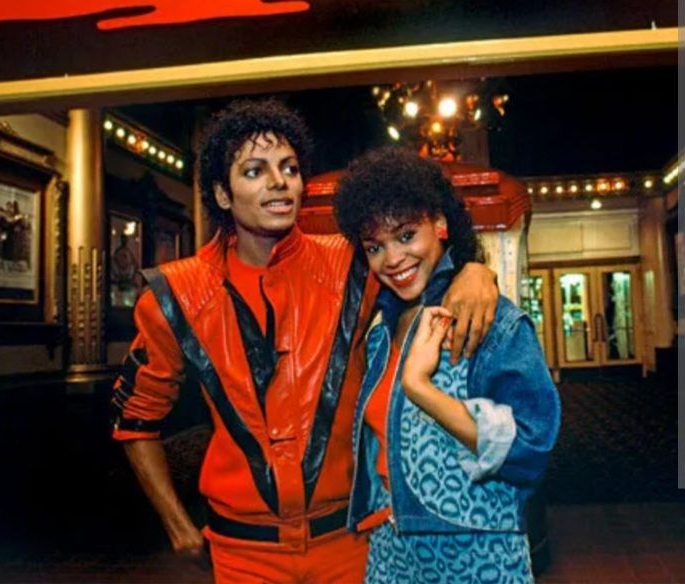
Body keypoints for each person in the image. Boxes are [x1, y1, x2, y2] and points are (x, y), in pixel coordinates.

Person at [111, 100, 499, 583]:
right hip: (243, 552)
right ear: (223, 195)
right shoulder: (175, 295)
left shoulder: (351, 264)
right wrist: (177, 524)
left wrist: (474, 271)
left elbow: (419, 261)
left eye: (290, 169)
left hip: (350, 540)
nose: (279, 182)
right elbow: (135, 421)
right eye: (255, 171)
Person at [334, 146, 560, 583]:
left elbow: (530, 450)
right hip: (391, 551)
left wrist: (421, 389)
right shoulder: (379, 332)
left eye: (405, 235)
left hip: (476, 554)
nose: (392, 259)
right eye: (375, 246)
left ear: (439, 224)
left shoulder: (491, 322)